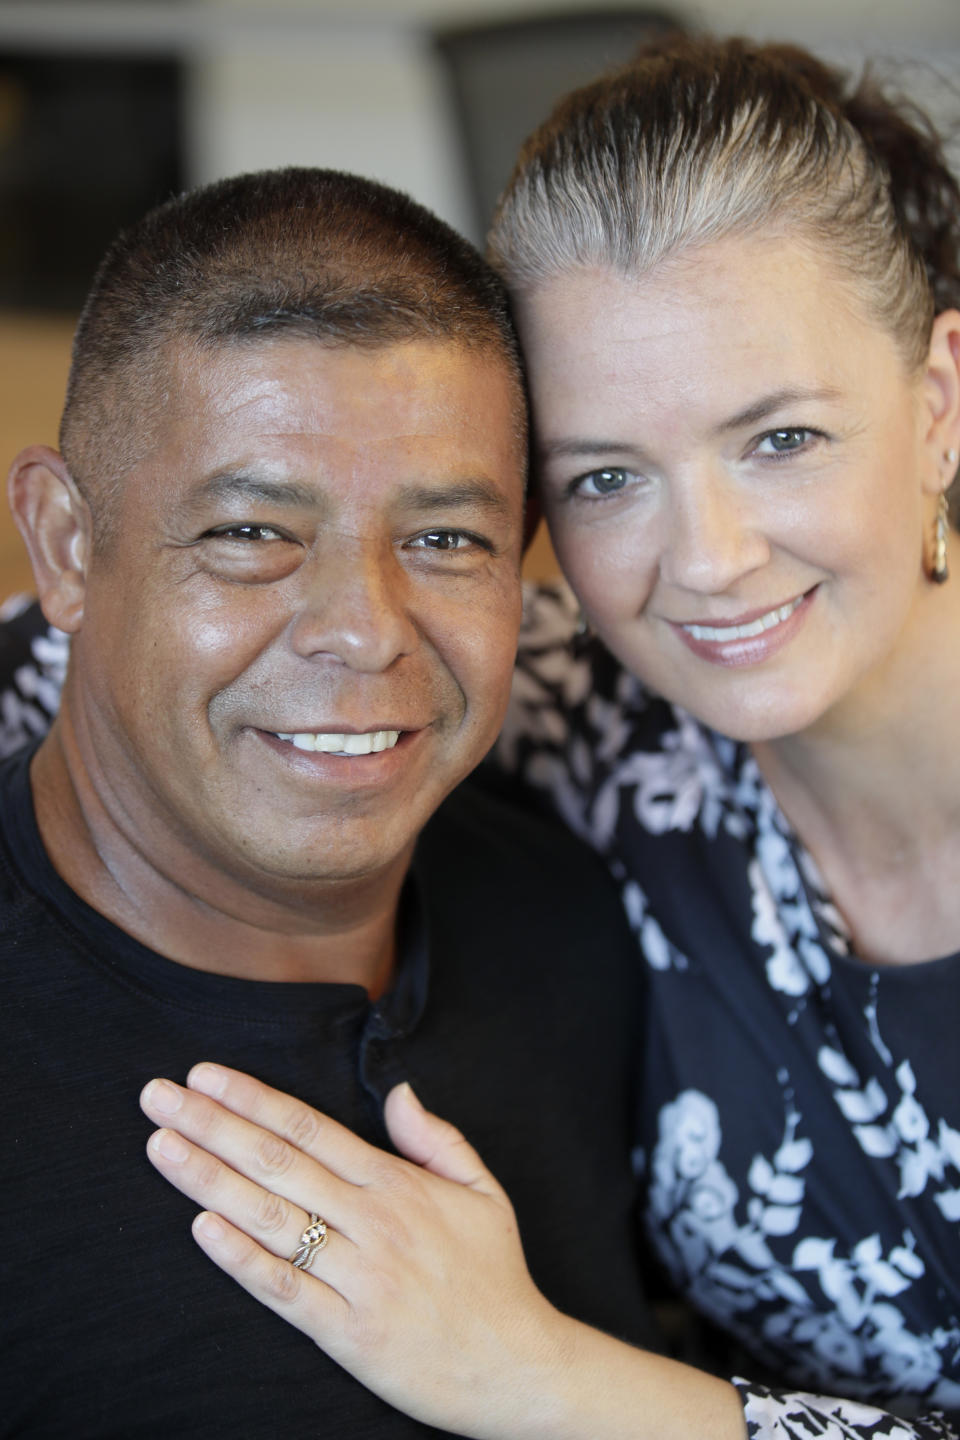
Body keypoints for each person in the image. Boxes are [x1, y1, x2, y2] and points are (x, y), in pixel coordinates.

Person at [119, 35, 960, 1440]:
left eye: (782, 440)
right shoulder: (597, 729)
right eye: (608, 477)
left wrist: (538, 1378)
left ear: (938, 402)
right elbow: (96, 633)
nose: (708, 559)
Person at [0, 166, 673, 1437]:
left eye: (444, 541)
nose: (364, 634)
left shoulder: (573, 925)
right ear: (66, 544)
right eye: (251, 532)